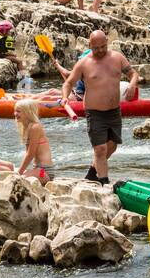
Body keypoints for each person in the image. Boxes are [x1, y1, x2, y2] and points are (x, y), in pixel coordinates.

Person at [59, 30, 140, 184]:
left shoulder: (117, 58)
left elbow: (133, 74)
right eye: (96, 48)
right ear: (90, 45)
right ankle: (104, 183)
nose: (101, 50)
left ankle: (91, 173)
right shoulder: (84, 63)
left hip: (114, 111)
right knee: (100, 149)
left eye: (103, 46)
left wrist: (131, 85)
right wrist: (64, 97)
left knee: (112, 146)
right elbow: (68, 83)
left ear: (107, 42)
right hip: (94, 112)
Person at [15, 100, 54, 183]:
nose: (15, 114)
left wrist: (19, 172)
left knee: (18, 180)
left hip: (44, 172)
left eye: (18, 111)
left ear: (27, 113)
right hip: (37, 169)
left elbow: (30, 154)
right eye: (15, 111)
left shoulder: (35, 127)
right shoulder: (27, 127)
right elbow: (28, 154)